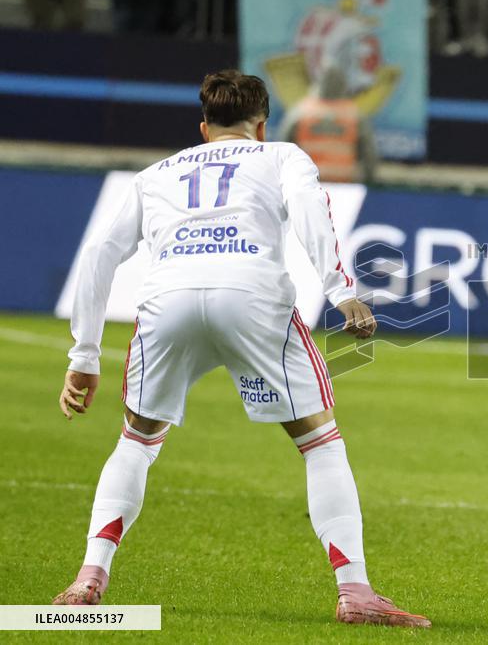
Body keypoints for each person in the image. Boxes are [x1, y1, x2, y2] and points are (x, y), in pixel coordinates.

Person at [53, 69, 430, 629]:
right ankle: (355, 592)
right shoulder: (281, 155)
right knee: (320, 444)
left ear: (204, 128)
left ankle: (89, 578)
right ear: (261, 123)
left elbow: (98, 256)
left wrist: (83, 357)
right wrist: (340, 290)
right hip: (250, 295)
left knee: (136, 441)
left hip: (168, 300)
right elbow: (309, 210)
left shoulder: (155, 173)